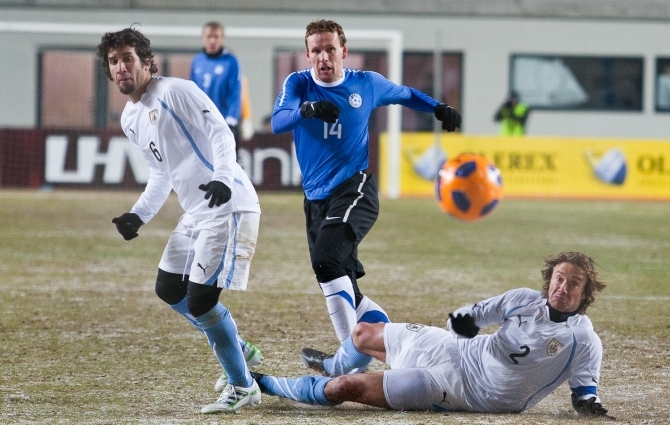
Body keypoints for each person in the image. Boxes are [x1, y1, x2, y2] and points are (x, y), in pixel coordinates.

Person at [271, 19, 462, 357]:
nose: (324, 57)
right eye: (316, 51)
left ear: (343, 51)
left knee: (326, 261)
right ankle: (400, 352)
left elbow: (405, 95)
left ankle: (346, 359)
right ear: (308, 55)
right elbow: (278, 121)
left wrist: (437, 108)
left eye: (330, 49)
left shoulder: (367, 85)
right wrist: (308, 109)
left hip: (354, 189)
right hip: (316, 200)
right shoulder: (298, 84)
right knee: (347, 290)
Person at [97, 27, 262, 414]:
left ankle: (242, 386)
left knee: (201, 300)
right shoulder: (130, 117)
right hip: (196, 212)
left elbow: (219, 131)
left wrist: (223, 176)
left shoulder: (176, 91)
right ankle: (239, 350)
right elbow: (161, 173)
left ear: (146, 62)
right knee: (168, 287)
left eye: (128, 59)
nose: (121, 67)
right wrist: (139, 214)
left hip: (228, 203)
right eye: (114, 61)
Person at [252, 252, 611, 418]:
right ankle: (332, 363)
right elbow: (470, 315)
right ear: (550, 281)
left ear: (585, 294)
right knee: (361, 333)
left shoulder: (583, 340)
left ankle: (263, 383)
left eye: (574, 283)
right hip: (452, 347)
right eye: (559, 279)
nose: (563, 287)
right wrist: (462, 323)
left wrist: (591, 407)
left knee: (344, 388)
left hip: (462, 390)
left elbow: (583, 396)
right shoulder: (522, 299)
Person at [190, 21, 244, 151]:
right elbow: (191, 92)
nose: (212, 40)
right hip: (202, 123)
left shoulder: (231, 61)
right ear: (203, 38)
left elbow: (235, 92)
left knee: (227, 166)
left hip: (224, 123)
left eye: (216, 37)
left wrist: (231, 120)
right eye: (209, 36)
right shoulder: (197, 61)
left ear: (222, 39)